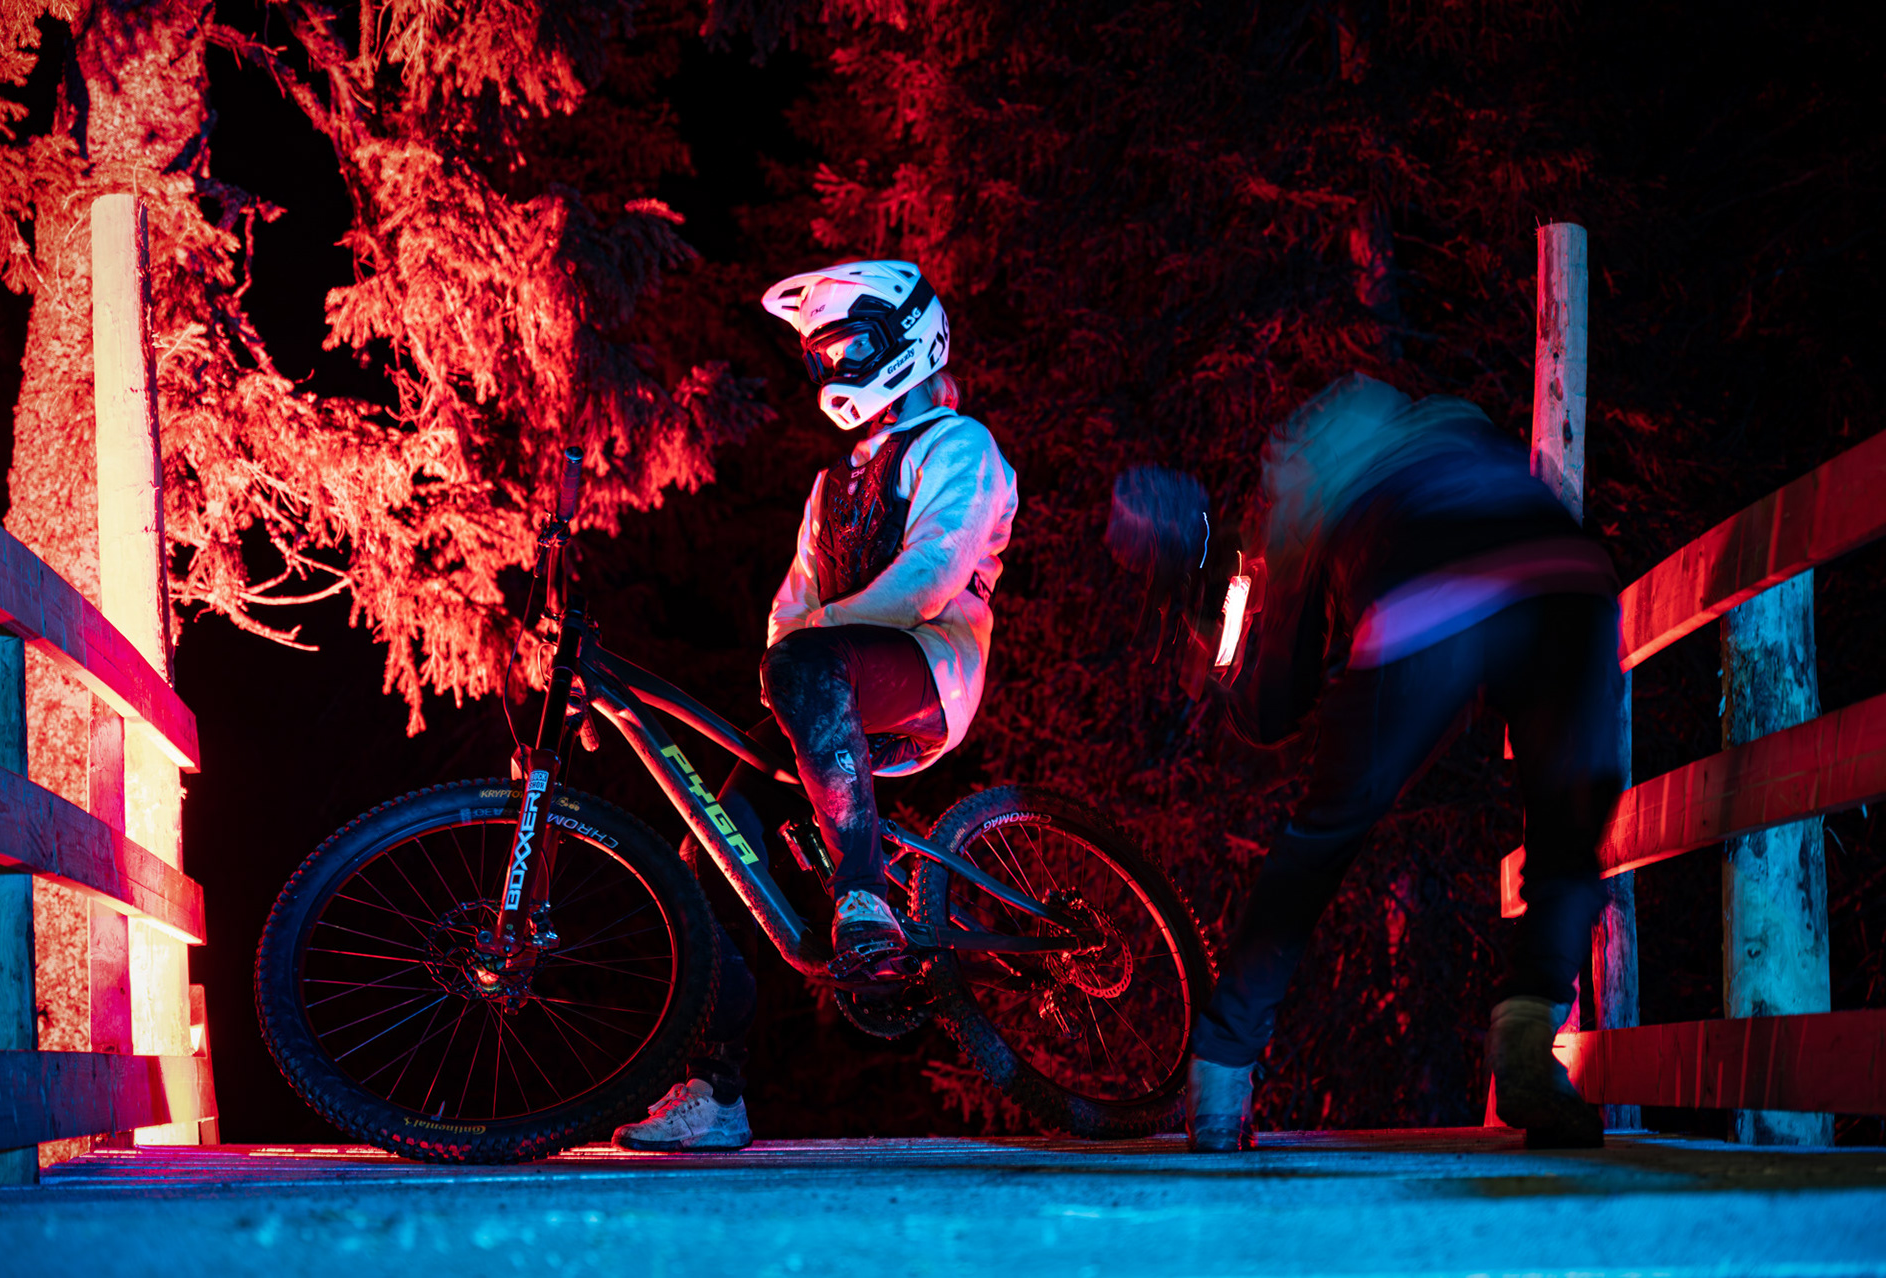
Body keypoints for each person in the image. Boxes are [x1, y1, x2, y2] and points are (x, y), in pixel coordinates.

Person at [1106, 373, 1620, 1152]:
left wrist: (1210, 633)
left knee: (1324, 836)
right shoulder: (1458, 422)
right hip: (1567, 579)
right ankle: (1526, 1041)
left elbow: (1276, 704)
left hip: (1428, 582)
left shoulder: (1305, 485)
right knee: (1568, 827)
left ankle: (1221, 1071)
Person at [613, 260, 1019, 1151]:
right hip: (823, 682)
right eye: (822, 356)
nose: (836, 370)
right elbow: (788, 606)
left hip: (927, 670)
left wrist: (806, 644)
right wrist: (798, 649)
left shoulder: (960, 447)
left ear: (909, 339)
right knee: (712, 846)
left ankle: (863, 895)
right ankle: (715, 1093)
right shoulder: (831, 484)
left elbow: (931, 576)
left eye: (851, 348)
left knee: (800, 664)